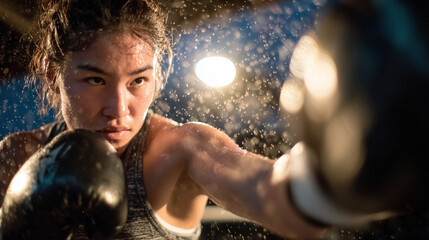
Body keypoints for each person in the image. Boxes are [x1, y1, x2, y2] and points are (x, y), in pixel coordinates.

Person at [0, 0, 327, 239]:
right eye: (95, 81)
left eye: (138, 81)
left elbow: (268, 190)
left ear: (156, 76)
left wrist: (330, 169)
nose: (118, 109)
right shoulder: (18, 154)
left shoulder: (180, 151)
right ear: (51, 72)